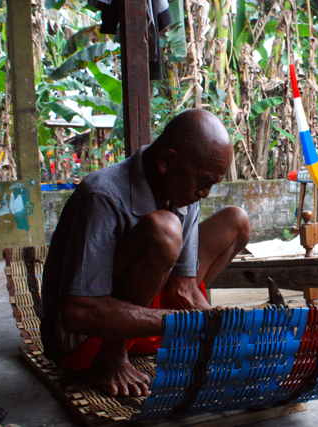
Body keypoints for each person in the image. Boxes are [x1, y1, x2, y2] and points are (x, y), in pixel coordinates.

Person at [40, 109, 251, 398]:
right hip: (84, 339)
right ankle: (112, 359)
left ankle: (155, 337)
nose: (205, 193)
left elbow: (183, 290)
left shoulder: (184, 191)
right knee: (163, 230)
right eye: (203, 182)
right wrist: (179, 324)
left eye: (212, 184)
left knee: (236, 221)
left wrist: (222, 332)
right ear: (167, 161)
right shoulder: (101, 195)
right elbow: (76, 314)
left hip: (140, 319)